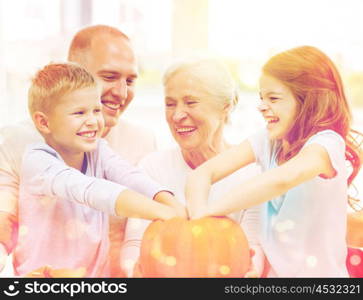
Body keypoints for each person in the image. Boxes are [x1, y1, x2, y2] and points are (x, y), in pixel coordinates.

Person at [185, 46, 362, 277]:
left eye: (273, 98)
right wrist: (199, 218)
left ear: (308, 100)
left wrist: (211, 211)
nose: (261, 106)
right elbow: (202, 174)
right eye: (261, 97)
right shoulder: (269, 141)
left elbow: (282, 180)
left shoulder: (326, 145)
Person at [0, 25, 162, 276]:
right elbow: (3, 223)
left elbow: (138, 231)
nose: (121, 93)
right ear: (74, 74)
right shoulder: (19, 143)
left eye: (130, 81)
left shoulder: (142, 141)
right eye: (109, 77)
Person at [121, 59, 263, 277]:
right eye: (170, 104)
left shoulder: (252, 173)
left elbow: (253, 246)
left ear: (225, 106)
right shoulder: (152, 168)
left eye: (191, 102)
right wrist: (133, 273)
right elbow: (135, 243)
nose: (177, 115)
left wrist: (253, 272)